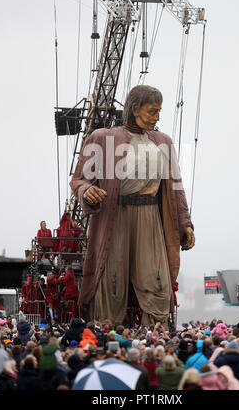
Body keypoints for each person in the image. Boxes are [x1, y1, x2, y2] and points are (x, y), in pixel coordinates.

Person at [70, 85, 195, 327]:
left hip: (150, 217)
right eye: (152, 111)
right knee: (110, 279)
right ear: (135, 108)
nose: (157, 117)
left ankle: (156, 333)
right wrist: (87, 191)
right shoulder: (101, 138)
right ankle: (107, 330)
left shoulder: (164, 142)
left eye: (159, 112)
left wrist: (185, 225)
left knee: (156, 278)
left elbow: (176, 189)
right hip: (114, 215)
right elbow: (78, 179)